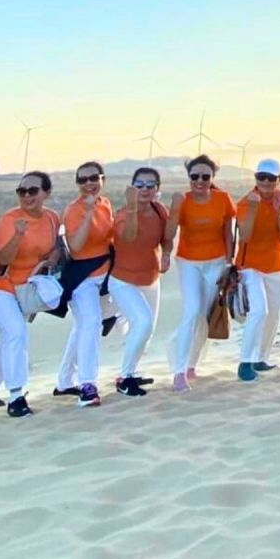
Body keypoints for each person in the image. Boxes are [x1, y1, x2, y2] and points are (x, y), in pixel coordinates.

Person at [0, 171, 61, 418]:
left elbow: (56, 245)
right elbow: (3, 258)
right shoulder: (10, 219)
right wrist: (18, 235)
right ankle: (16, 396)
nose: (26, 196)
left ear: (46, 193)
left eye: (33, 191)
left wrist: (53, 257)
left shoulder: (52, 218)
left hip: (29, 289)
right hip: (3, 288)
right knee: (16, 333)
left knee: (5, 339)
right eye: (21, 191)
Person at [167, 154, 236, 392]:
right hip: (189, 262)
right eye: (194, 176)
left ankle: (191, 364)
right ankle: (178, 371)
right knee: (192, 311)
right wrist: (175, 208)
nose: (200, 181)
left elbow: (228, 232)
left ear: (212, 177)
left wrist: (229, 263)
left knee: (205, 315)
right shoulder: (183, 200)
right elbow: (168, 234)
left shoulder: (222, 199)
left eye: (205, 176)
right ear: (189, 177)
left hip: (216, 262)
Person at [107, 167, 173, 397]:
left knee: (147, 329)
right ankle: (124, 378)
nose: (145, 189)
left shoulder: (159, 210)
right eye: (140, 185)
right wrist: (133, 207)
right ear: (132, 188)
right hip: (123, 281)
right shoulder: (123, 213)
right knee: (142, 322)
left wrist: (166, 254)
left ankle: (132, 371)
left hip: (151, 279)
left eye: (150, 185)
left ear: (157, 189)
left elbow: (166, 238)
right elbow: (128, 236)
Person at [53, 161, 114, 408]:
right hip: (82, 277)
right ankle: (87, 383)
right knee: (91, 322)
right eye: (82, 180)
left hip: (105, 273)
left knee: (82, 327)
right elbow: (76, 246)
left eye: (93, 178)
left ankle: (64, 381)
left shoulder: (106, 204)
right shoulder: (73, 210)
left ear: (102, 180)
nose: (88, 184)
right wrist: (88, 213)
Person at [235, 159, 280, 382]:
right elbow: (245, 235)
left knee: (273, 315)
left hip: (276, 265)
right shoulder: (245, 202)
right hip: (250, 266)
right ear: (256, 178)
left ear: (279, 179)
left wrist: (278, 212)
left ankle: (261, 358)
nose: (266, 182)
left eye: (271, 178)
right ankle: (245, 363)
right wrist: (253, 208)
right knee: (259, 311)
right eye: (261, 177)